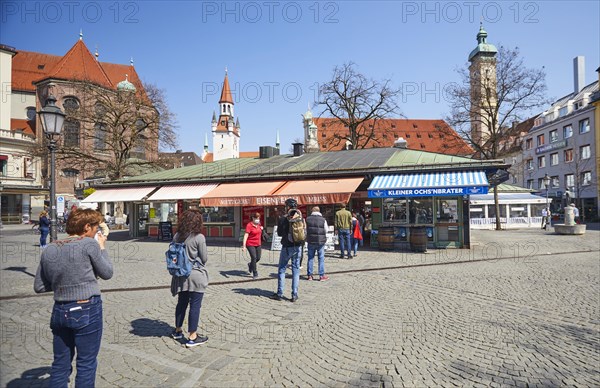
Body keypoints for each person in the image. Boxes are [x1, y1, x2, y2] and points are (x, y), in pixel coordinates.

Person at [33, 208, 113, 387]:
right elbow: (107, 272)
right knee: (86, 363)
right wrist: (102, 247)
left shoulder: (51, 247)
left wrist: (62, 282)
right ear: (86, 227)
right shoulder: (89, 245)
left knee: (60, 364)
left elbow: (39, 286)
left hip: (60, 310)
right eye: (95, 227)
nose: (96, 231)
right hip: (86, 308)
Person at [170, 209, 209, 347]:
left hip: (180, 275)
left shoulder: (177, 236)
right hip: (195, 275)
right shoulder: (199, 237)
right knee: (195, 305)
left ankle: (178, 330)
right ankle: (192, 336)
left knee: (182, 302)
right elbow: (204, 258)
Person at [272, 198, 304, 302]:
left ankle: (280, 293)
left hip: (286, 247)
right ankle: (294, 294)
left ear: (288, 207)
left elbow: (279, 233)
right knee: (295, 270)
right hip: (297, 246)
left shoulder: (283, 218)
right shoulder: (300, 218)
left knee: (282, 269)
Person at [305, 206, 329, 281]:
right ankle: (321, 276)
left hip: (311, 240)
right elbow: (326, 230)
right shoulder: (323, 219)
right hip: (320, 241)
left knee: (310, 258)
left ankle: (310, 275)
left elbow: (305, 230)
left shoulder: (307, 219)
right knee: (321, 258)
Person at [242, 212, 264, 279]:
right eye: (256, 218)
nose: (258, 219)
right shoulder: (249, 225)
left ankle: (250, 264)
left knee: (258, 258)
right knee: (254, 258)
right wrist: (244, 246)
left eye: (258, 218)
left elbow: (260, 232)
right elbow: (246, 235)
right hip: (250, 244)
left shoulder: (259, 224)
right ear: (253, 218)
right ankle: (255, 273)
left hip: (258, 244)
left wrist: (262, 229)